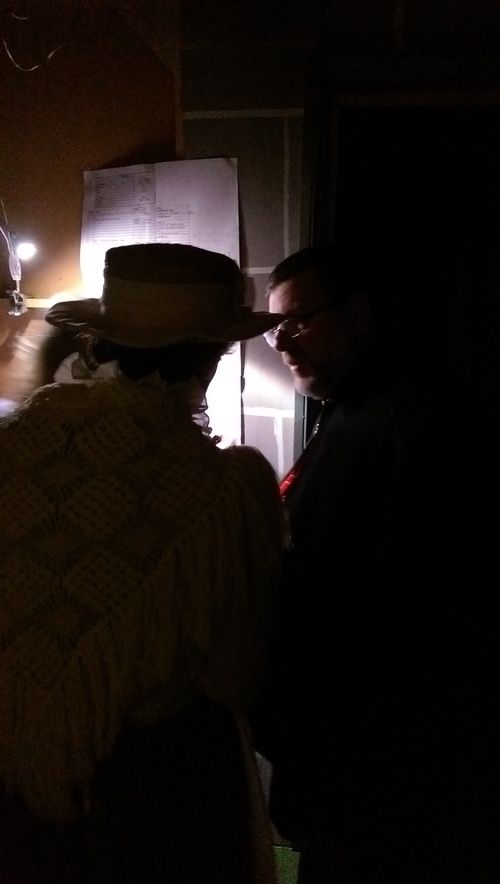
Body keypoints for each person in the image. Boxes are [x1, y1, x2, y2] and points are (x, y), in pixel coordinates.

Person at [0, 242, 286, 884]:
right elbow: (236, 675)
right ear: (212, 355)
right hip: (158, 791)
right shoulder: (224, 488)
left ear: (105, 343)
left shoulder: (12, 447)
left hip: (18, 779)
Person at [249, 241, 499, 883]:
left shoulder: (416, 422)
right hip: (350, 761)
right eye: (274, 328)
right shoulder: (351, 409)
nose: (281, 344)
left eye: (296, 321)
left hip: (381, 770)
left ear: (358, 314)